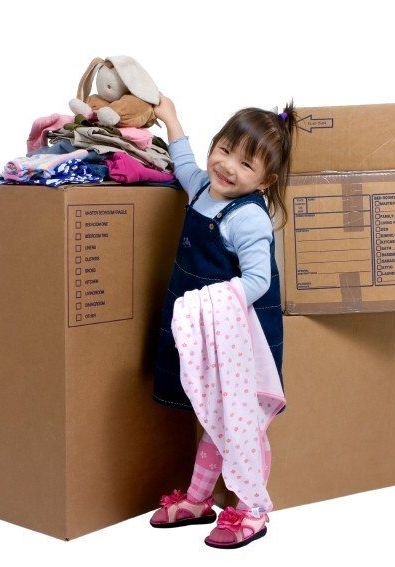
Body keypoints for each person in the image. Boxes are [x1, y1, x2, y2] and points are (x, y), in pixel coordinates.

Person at [149, 94, 296, 549]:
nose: (228, 166)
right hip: (205, 334)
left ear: (265, 181)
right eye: (225, 150)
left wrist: (211, 302)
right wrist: (170, 117)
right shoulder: (201, 188)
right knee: (214, 417)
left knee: (238, 422)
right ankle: (199, 500)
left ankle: (252, 508)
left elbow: (257, 280)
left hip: (238, 339)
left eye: (245, 164)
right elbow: (183, 163)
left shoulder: (248, 217)